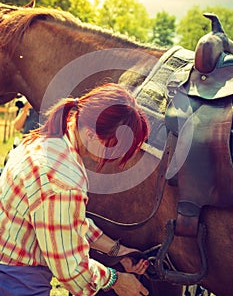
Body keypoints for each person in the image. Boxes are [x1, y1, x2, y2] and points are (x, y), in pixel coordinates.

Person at [0, 83, 150, 296]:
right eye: (113, 147)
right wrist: (117, 280)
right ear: (90, 134)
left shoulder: (46, 140)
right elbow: (71, 270)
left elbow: (64, 221)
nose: (113, 157)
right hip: (18, 282)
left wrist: (118, 251)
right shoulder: (61, 179)